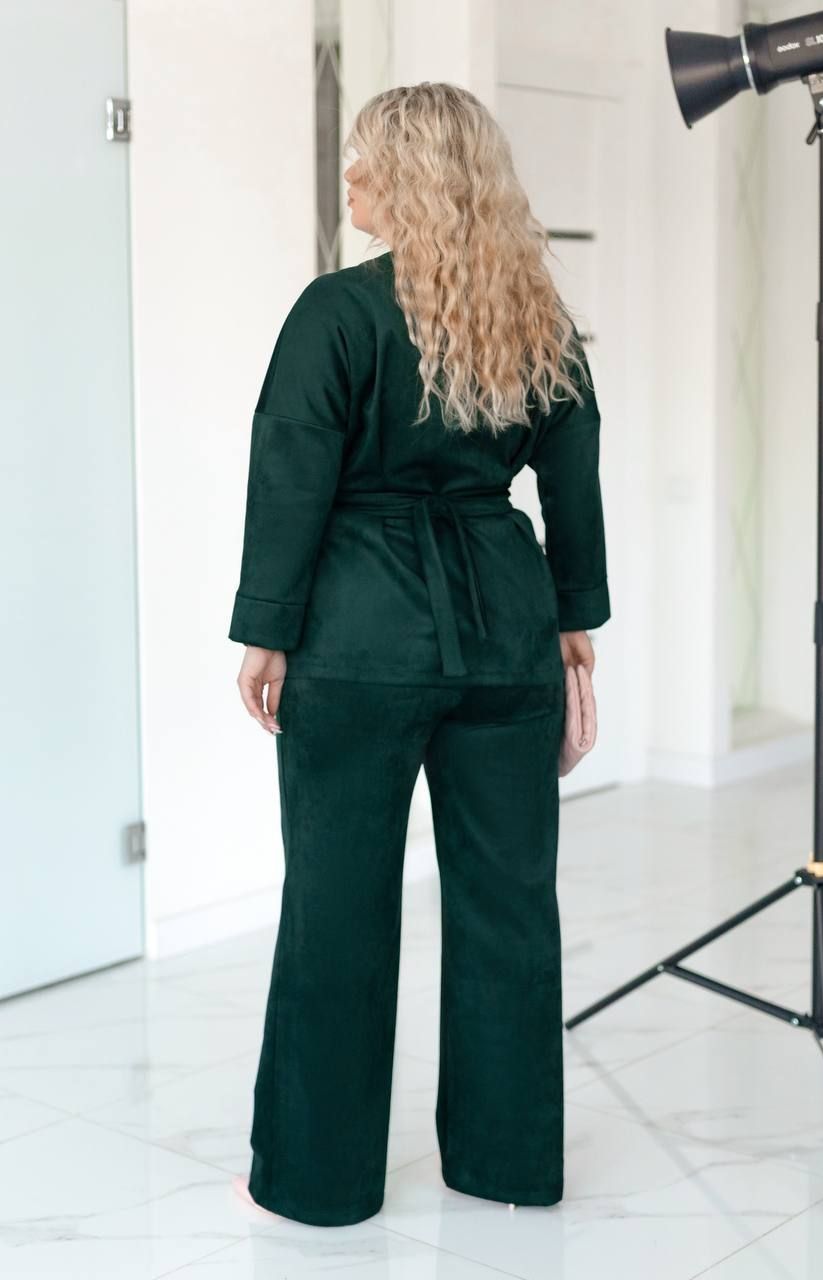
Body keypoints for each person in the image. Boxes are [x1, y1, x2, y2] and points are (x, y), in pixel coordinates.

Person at [227, 81, 611, 1228]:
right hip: (505, 633)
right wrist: (572, 628)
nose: (348, 180)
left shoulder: (337, 311)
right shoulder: (531, 314)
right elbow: (572, 480)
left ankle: (315, 1179)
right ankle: (505, 1162)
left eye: (364, 161)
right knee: (508, 903)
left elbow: (291, 469)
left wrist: (265, 627)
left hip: (358, 636)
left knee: (337, 905)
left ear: (408, 177)